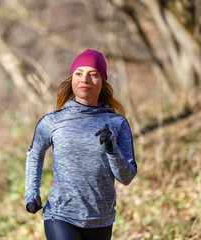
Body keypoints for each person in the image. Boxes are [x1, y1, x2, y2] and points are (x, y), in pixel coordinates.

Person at [24, 49, 137, 240]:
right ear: (71, 80)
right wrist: (31, 193)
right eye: (79, 73)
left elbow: (126, 177)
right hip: (61, 216)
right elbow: (35, 154)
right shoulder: (52, 122)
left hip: (102, 220)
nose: (85, 79)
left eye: (93, 74)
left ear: (102, 82)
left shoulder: (118, 124)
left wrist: (112, 150)